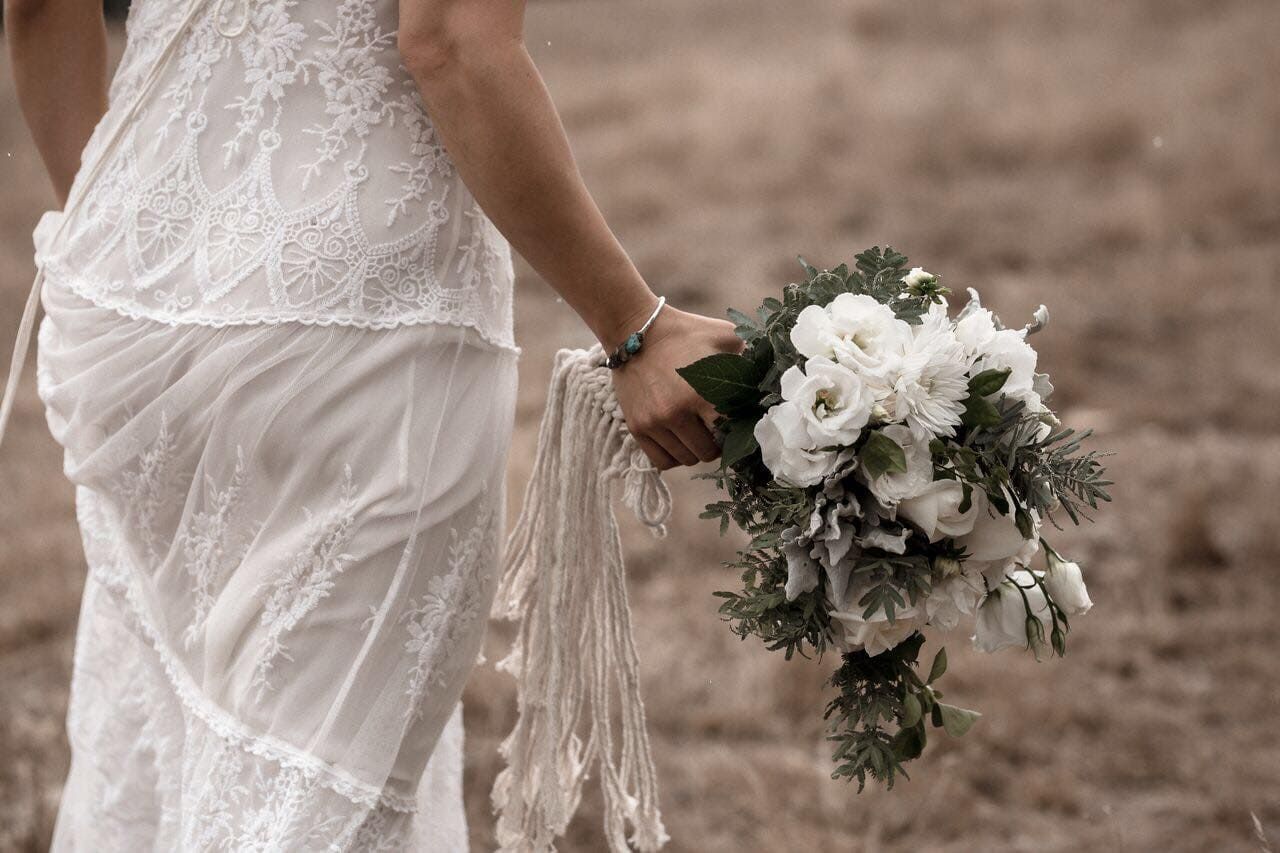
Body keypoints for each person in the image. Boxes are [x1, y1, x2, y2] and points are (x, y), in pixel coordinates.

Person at [4, 0, 740, 847]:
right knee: (321, 781)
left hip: (135, 293)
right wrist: (631, 326)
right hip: (354, 324)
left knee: (184, 739)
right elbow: (450, 43)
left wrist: (147, 250)